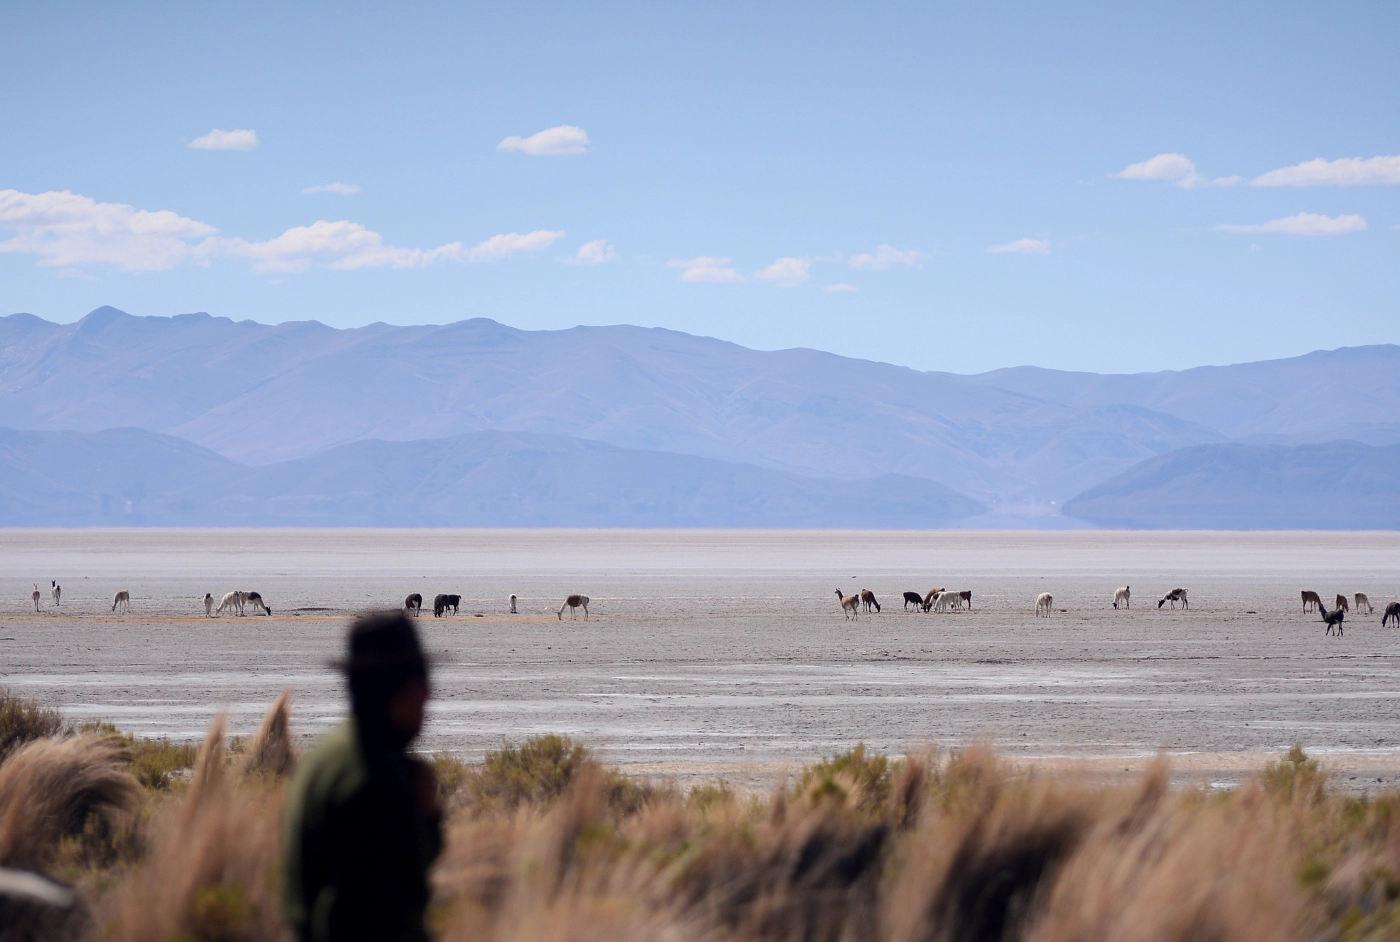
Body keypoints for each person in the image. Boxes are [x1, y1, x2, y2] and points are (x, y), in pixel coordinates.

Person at [283, 612, 442, 942]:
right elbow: (353, 915)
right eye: (423, 682)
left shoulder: (329, 755)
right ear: (401, 690)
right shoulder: (373, 778)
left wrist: (425, 816)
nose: (429, 697)